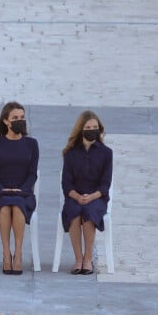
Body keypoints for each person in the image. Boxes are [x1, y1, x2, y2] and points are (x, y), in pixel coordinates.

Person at [0, 101, 39, 275]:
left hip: (24, 193)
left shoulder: (32, 144)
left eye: (22, 117)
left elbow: (33, 174)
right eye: (15, 118)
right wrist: (2, 189)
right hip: (1, 192)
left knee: (17, 205)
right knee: (4, 207)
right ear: (6, 121)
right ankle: (6, 253)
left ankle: (18, 253)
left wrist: (23, 190)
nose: (20, 121)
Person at [61, 110, 113, 275]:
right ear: (81, 129)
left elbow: (105, 184)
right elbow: (66, 183)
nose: (92, 130)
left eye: (95, 127)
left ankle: (88, 259)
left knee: (89, 213)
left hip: (97, 197)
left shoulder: (106, 153)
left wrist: (91, 197)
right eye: (88, 127)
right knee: (74, 213)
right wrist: (77, 196)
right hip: (75, 196)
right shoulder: (70, 153)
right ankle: (78, 258)